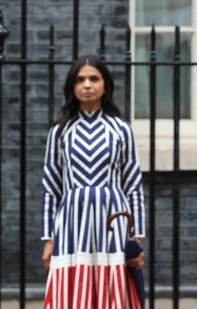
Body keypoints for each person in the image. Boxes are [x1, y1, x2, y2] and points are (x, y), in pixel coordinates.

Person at [40, 55, 146, 308]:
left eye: (94, 79)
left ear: (105, 85)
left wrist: (137, 236)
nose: (87, 85)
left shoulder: (121, 129)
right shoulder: (60, 131)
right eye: (80, 80)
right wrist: (48, 239)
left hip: (113, 221)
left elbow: (133, 183)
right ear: (72, 87)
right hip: (71, 223)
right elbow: (50, 186)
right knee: (72, 291)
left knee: (112, 286)